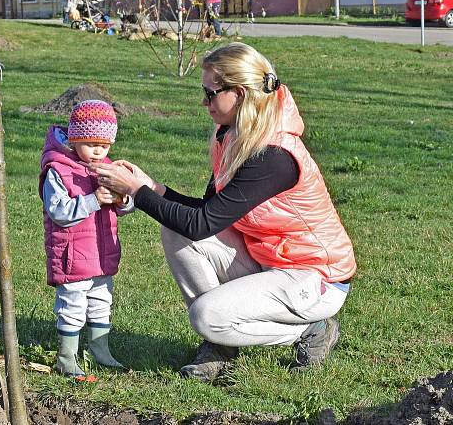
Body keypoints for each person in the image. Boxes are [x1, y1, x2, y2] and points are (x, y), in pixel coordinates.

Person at [91, 43, 356, 383]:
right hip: (270, 260)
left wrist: (136, 192)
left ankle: (310, 330)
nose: (204, 102)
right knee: (174, 229)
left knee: (205, 315)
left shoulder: (273, 157)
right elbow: (204, 213)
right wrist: (150, 187)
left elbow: (203, 224)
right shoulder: (233, 134)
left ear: (241, 94)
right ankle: (221, 346)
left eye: (210, 93)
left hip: (316, 278)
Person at [39, 100, 133, 381]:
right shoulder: (58, 169)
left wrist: (123, 198)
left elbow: (127, 206)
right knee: (73, 306)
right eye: (91, 143)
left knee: (102, 301)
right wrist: (93, 200)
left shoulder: (106, 167)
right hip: (73, 255)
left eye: (104, 145)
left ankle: (99, 350)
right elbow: (59, 212)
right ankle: (67, 357)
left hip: (102, 254)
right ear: (75, 137)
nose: (98, 150)